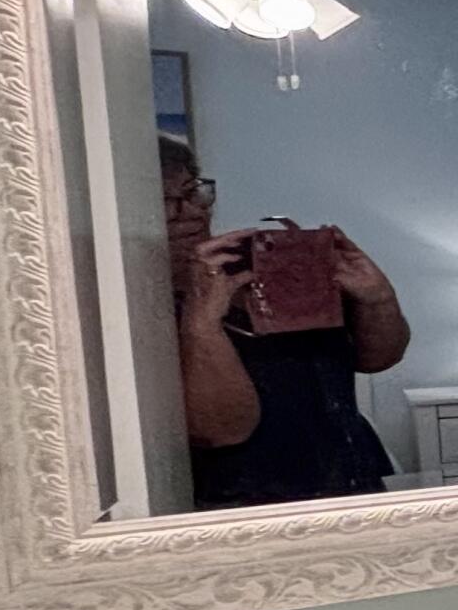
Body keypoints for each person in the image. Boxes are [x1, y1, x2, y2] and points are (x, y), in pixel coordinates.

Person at [160, 135, 410, 508]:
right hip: (254, 502)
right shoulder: (141, 309)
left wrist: (378, 297)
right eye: (166, 202)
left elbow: (377, 358)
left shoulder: (269, 267)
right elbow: (222, 430)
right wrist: (203, 322)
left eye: (194, 193)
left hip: (353, 477)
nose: (193, 212)